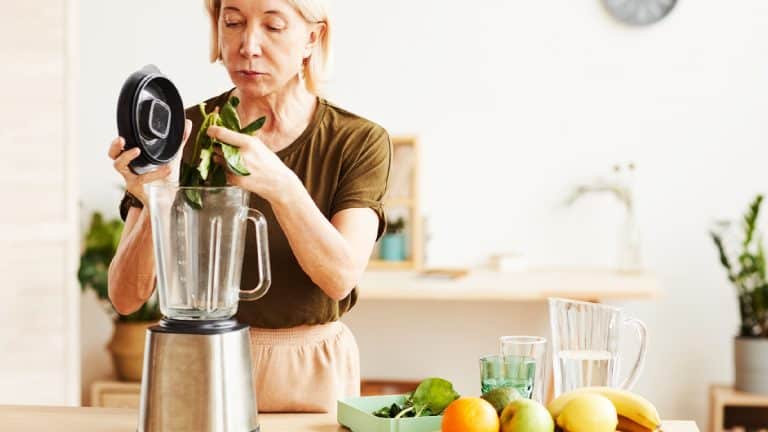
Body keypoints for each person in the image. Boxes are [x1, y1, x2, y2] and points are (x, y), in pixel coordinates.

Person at [106, 0, 391, 413]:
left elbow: (341, 276)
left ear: (313, 37)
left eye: (273, 26)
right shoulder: (179, 133)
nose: (248, 45)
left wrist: (281, 185)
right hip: (199, 362)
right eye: (233, 22)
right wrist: (157, 197)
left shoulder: (358, 141)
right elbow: (125, 297)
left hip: (309, 375)